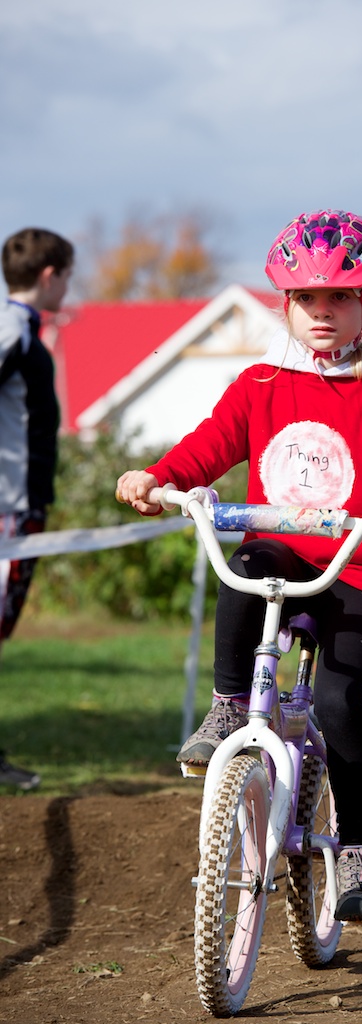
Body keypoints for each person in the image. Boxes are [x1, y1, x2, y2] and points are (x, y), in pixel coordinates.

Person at [117, 209, 362, 923]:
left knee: (340, 701)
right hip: (280, 558)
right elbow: (208, 446)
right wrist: (157, 477)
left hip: (359, 570)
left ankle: (358, 854)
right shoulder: (260, 384)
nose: (321, 312)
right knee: (249, 557)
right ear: (285, 304)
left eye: (338, 297)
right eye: (306, 298)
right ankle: (229, 706)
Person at [0, 227, 74, 790]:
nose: (68, 288)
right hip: (10, 509)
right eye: (67, 277)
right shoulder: (13, 329)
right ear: (49, 275)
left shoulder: (23, 328)